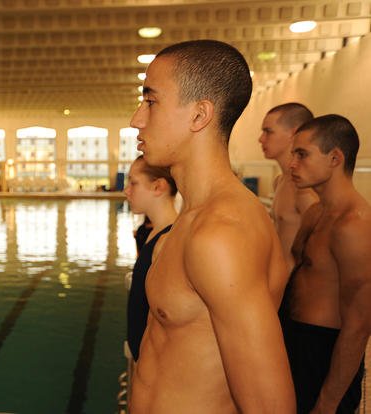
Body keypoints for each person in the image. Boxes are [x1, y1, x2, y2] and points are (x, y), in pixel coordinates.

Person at [129, 39, 295, 413]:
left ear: (199, 115)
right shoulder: (191, 221)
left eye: (151, 101)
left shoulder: (221, 233)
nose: (137, 118)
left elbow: (270, 407)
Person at [284, 114, 371, 413]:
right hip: (294, 343)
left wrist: (328, 402)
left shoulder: (355, 225)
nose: (292, 163)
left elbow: (359, 325)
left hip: (324, 354)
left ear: (335, 158)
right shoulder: (315, 213)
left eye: (302, 154)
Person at [124, 155, 178, 362]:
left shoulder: (169, 241)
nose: (126, 190)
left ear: (158, 187)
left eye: (134, 183)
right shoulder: (154, 234)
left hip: (156, 366)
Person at [259, 103, 318, 272]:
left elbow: (321, 245)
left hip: (295, 285)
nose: (261, 139)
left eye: (268, 132)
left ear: (294, 133)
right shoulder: (280, 181)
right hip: (279, 281)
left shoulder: (303, 188)